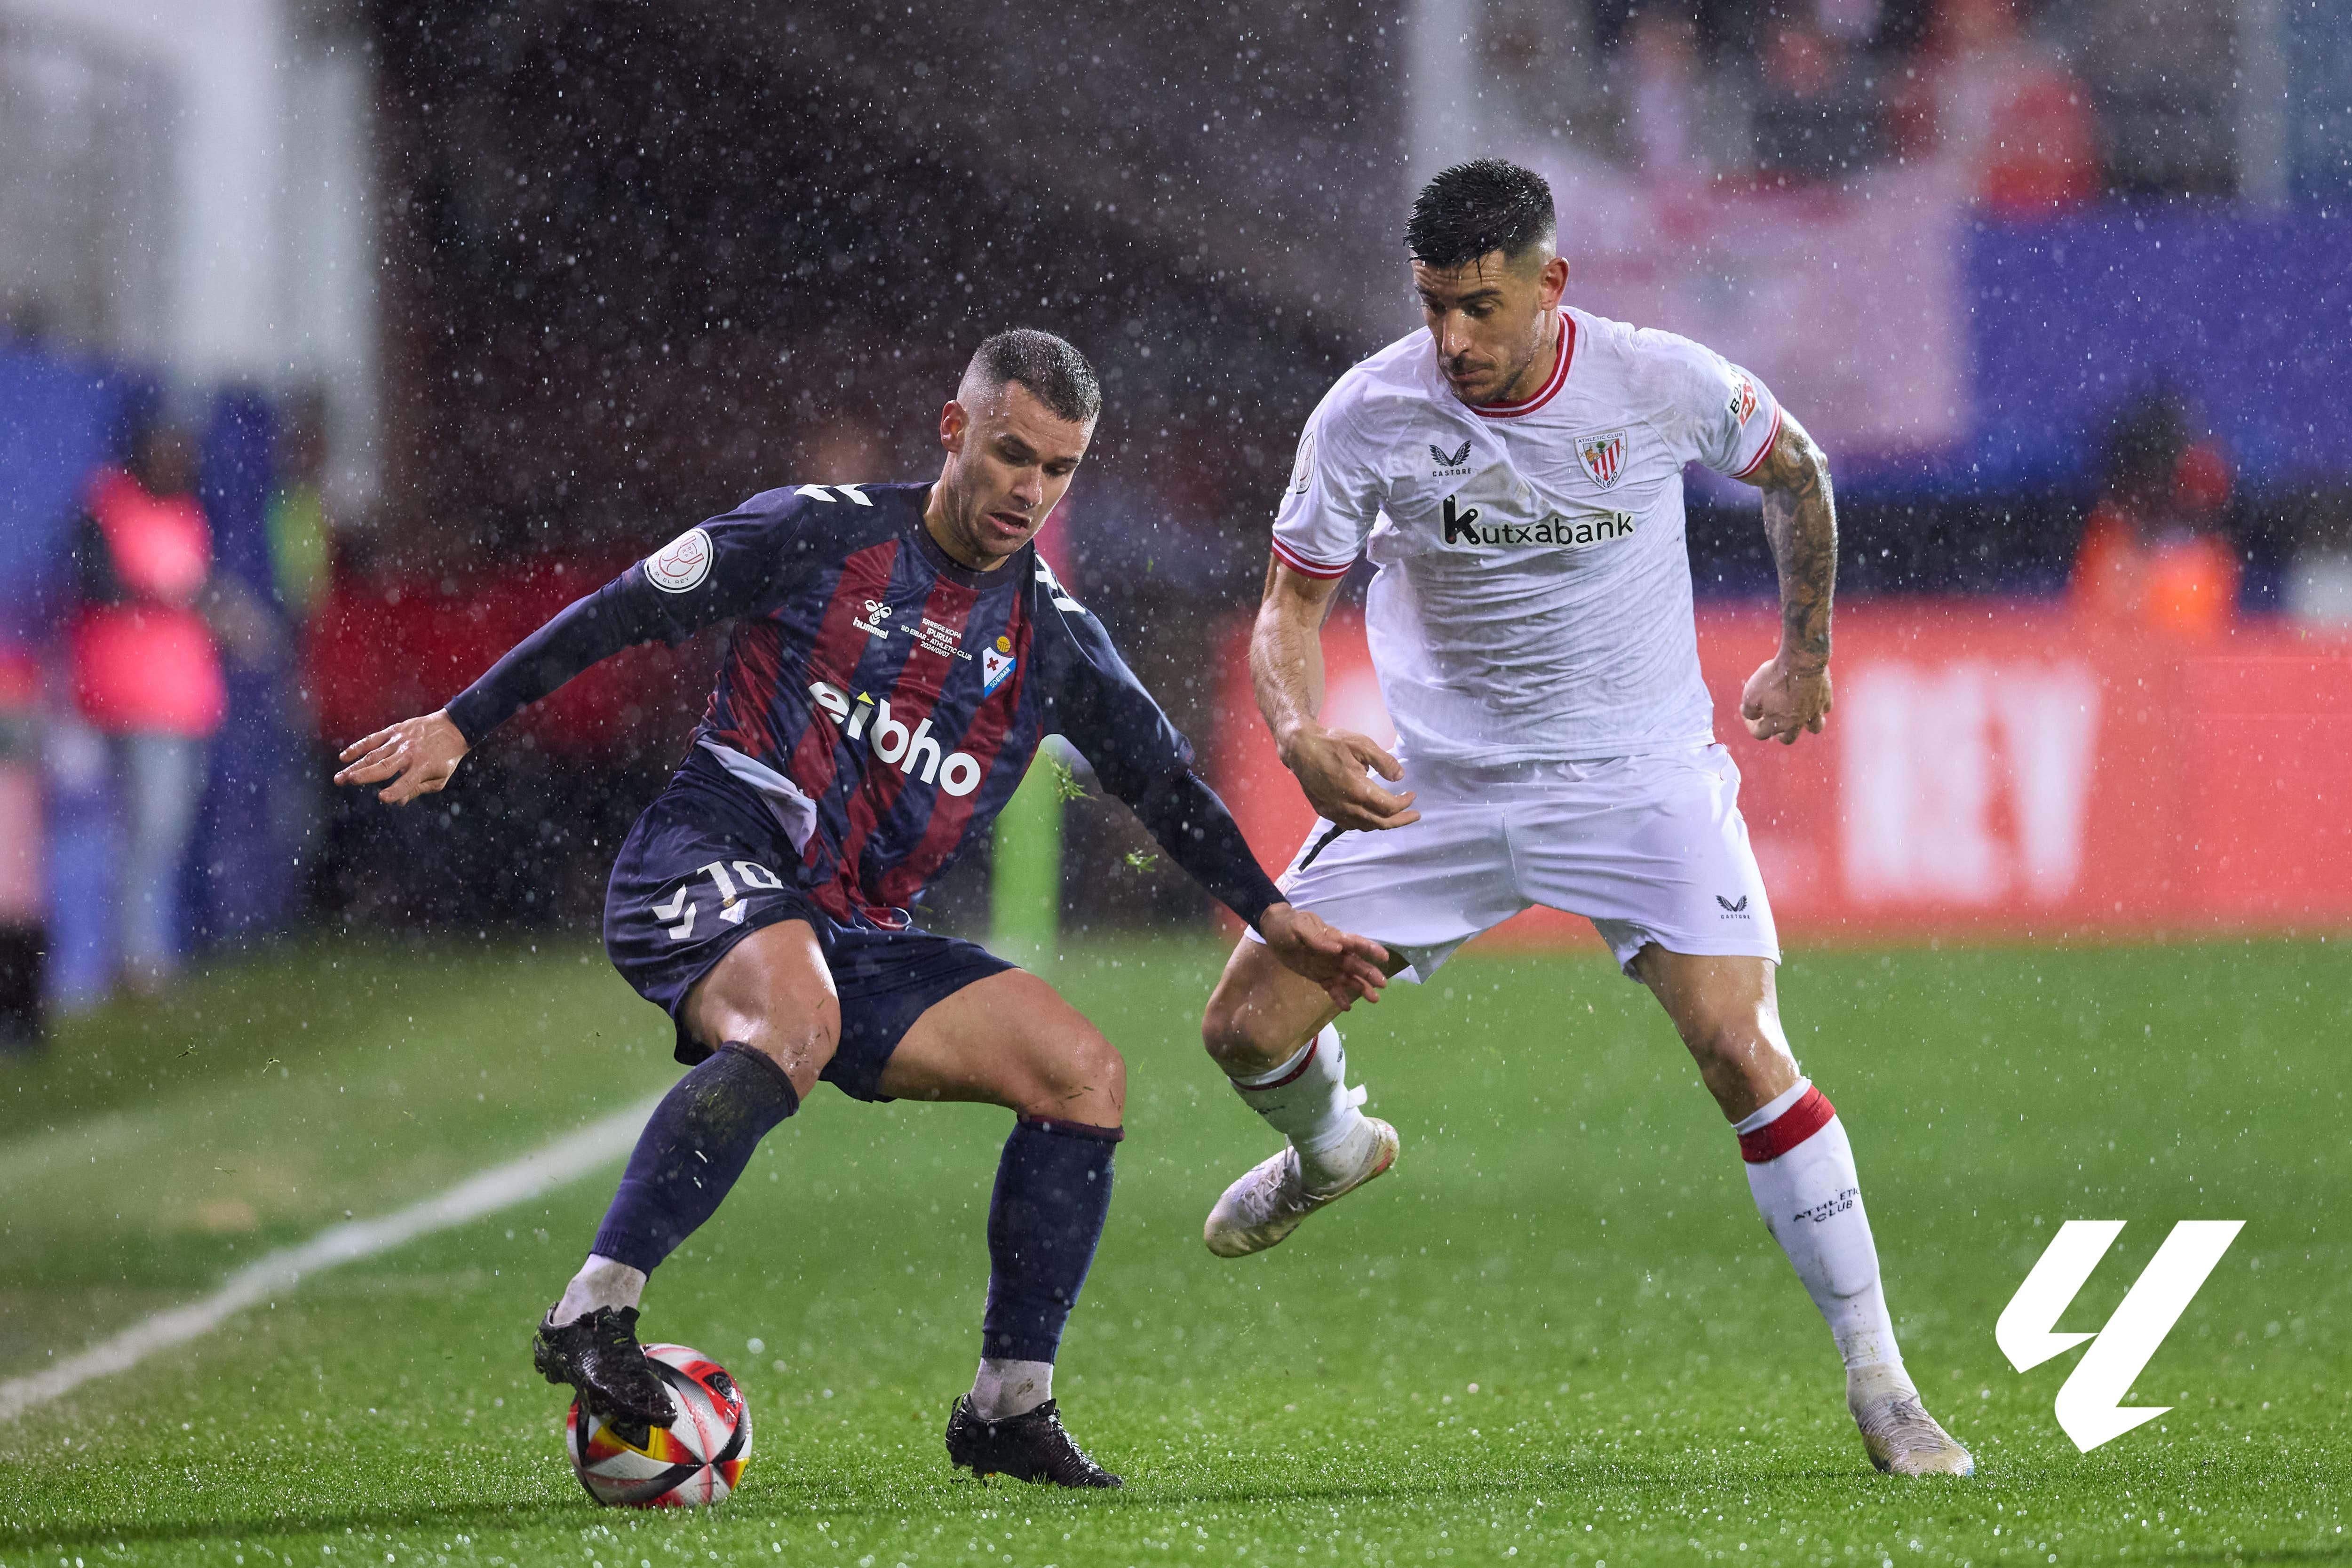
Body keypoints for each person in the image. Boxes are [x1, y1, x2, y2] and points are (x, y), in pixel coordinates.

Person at [334, 330, 1389, 1489]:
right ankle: (595, 1310)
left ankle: (1006, 1408)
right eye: (1010, 454)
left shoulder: (1055, 642)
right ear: (955, 431)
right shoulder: (813, 531)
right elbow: (622, 611)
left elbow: (1169, 791)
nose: (1028, 490)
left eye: (1058, 470)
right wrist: (460, 726)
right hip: (710, 849)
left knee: (1083, 1073)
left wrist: (1272, 912)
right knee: (797, 1016)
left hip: (854, 928)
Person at [1194, 161, 1973, 1477]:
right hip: (1438, 790)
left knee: (1740, 1048)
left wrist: (1808, 652)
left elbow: (1798, 469)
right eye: (1436, 306)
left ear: (1552, 285)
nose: (1455, 340)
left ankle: (1884, 1382)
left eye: (1483, 308)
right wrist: (1299, 734)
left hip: (1639, 782)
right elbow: (1289, 607)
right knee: (1242, 1030)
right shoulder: (1368, 413)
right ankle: (1336, 1150)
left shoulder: (1657, 378)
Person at [67, 417, 228, 991]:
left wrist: (220, 613)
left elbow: (199, 592)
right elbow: (97, 585)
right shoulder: (108, 507)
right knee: (143, 828)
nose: (175, 465)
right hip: (127, 697)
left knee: (164, 830)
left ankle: (142, 953)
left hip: (183, 699)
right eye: (164, 452)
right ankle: (132, 959)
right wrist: (168, 594)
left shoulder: (187, 515)